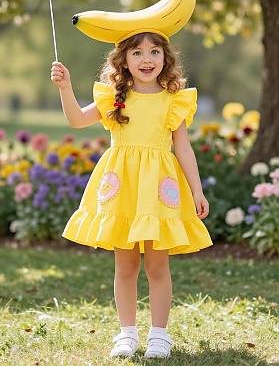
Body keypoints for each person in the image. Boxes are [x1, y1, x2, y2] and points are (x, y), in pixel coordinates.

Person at [50, 29, 213, 359]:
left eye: (154, 52)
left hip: (157, 190)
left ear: (166, 58)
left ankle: (159, 335)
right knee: (124, 266)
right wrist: (65, 88)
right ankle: (126, 334)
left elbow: (183, 149)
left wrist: (197, 190)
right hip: (123, 187)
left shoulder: (173, 99)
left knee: (157, 265)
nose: (146, 59)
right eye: (137, 53)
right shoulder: (114, 97)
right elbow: (77, 119)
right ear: (123, 60)